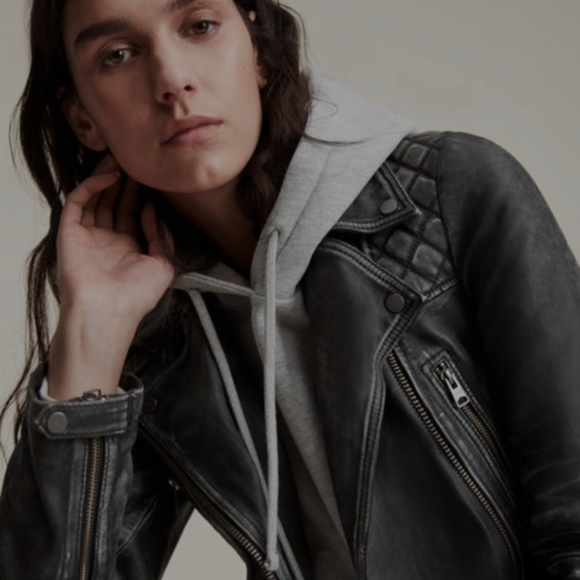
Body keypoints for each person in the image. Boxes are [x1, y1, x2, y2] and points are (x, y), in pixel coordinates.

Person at [1, 0, 580, 578]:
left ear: (258, 50)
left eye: (200, 26)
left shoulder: (453, 197)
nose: (173, 79)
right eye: (118, 55)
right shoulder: (154, 329)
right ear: (83, 117)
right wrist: (92, 333)